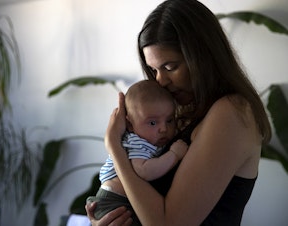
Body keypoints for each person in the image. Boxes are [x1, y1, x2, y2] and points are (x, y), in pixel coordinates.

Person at [86, 0, 272, 225]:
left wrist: (114, 146)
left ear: (203, 56)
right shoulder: (180, 113)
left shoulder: (231, 112)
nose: (160, 80)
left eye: (170, 67)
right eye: (154, 69)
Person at [87, 80, 188, 226]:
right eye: (153, 123)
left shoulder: (150, 139)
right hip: (114, 202)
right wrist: (174, 155)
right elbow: (144, 170)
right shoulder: (137, 142)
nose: (163, 129)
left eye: (169, 120)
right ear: (129, 125)